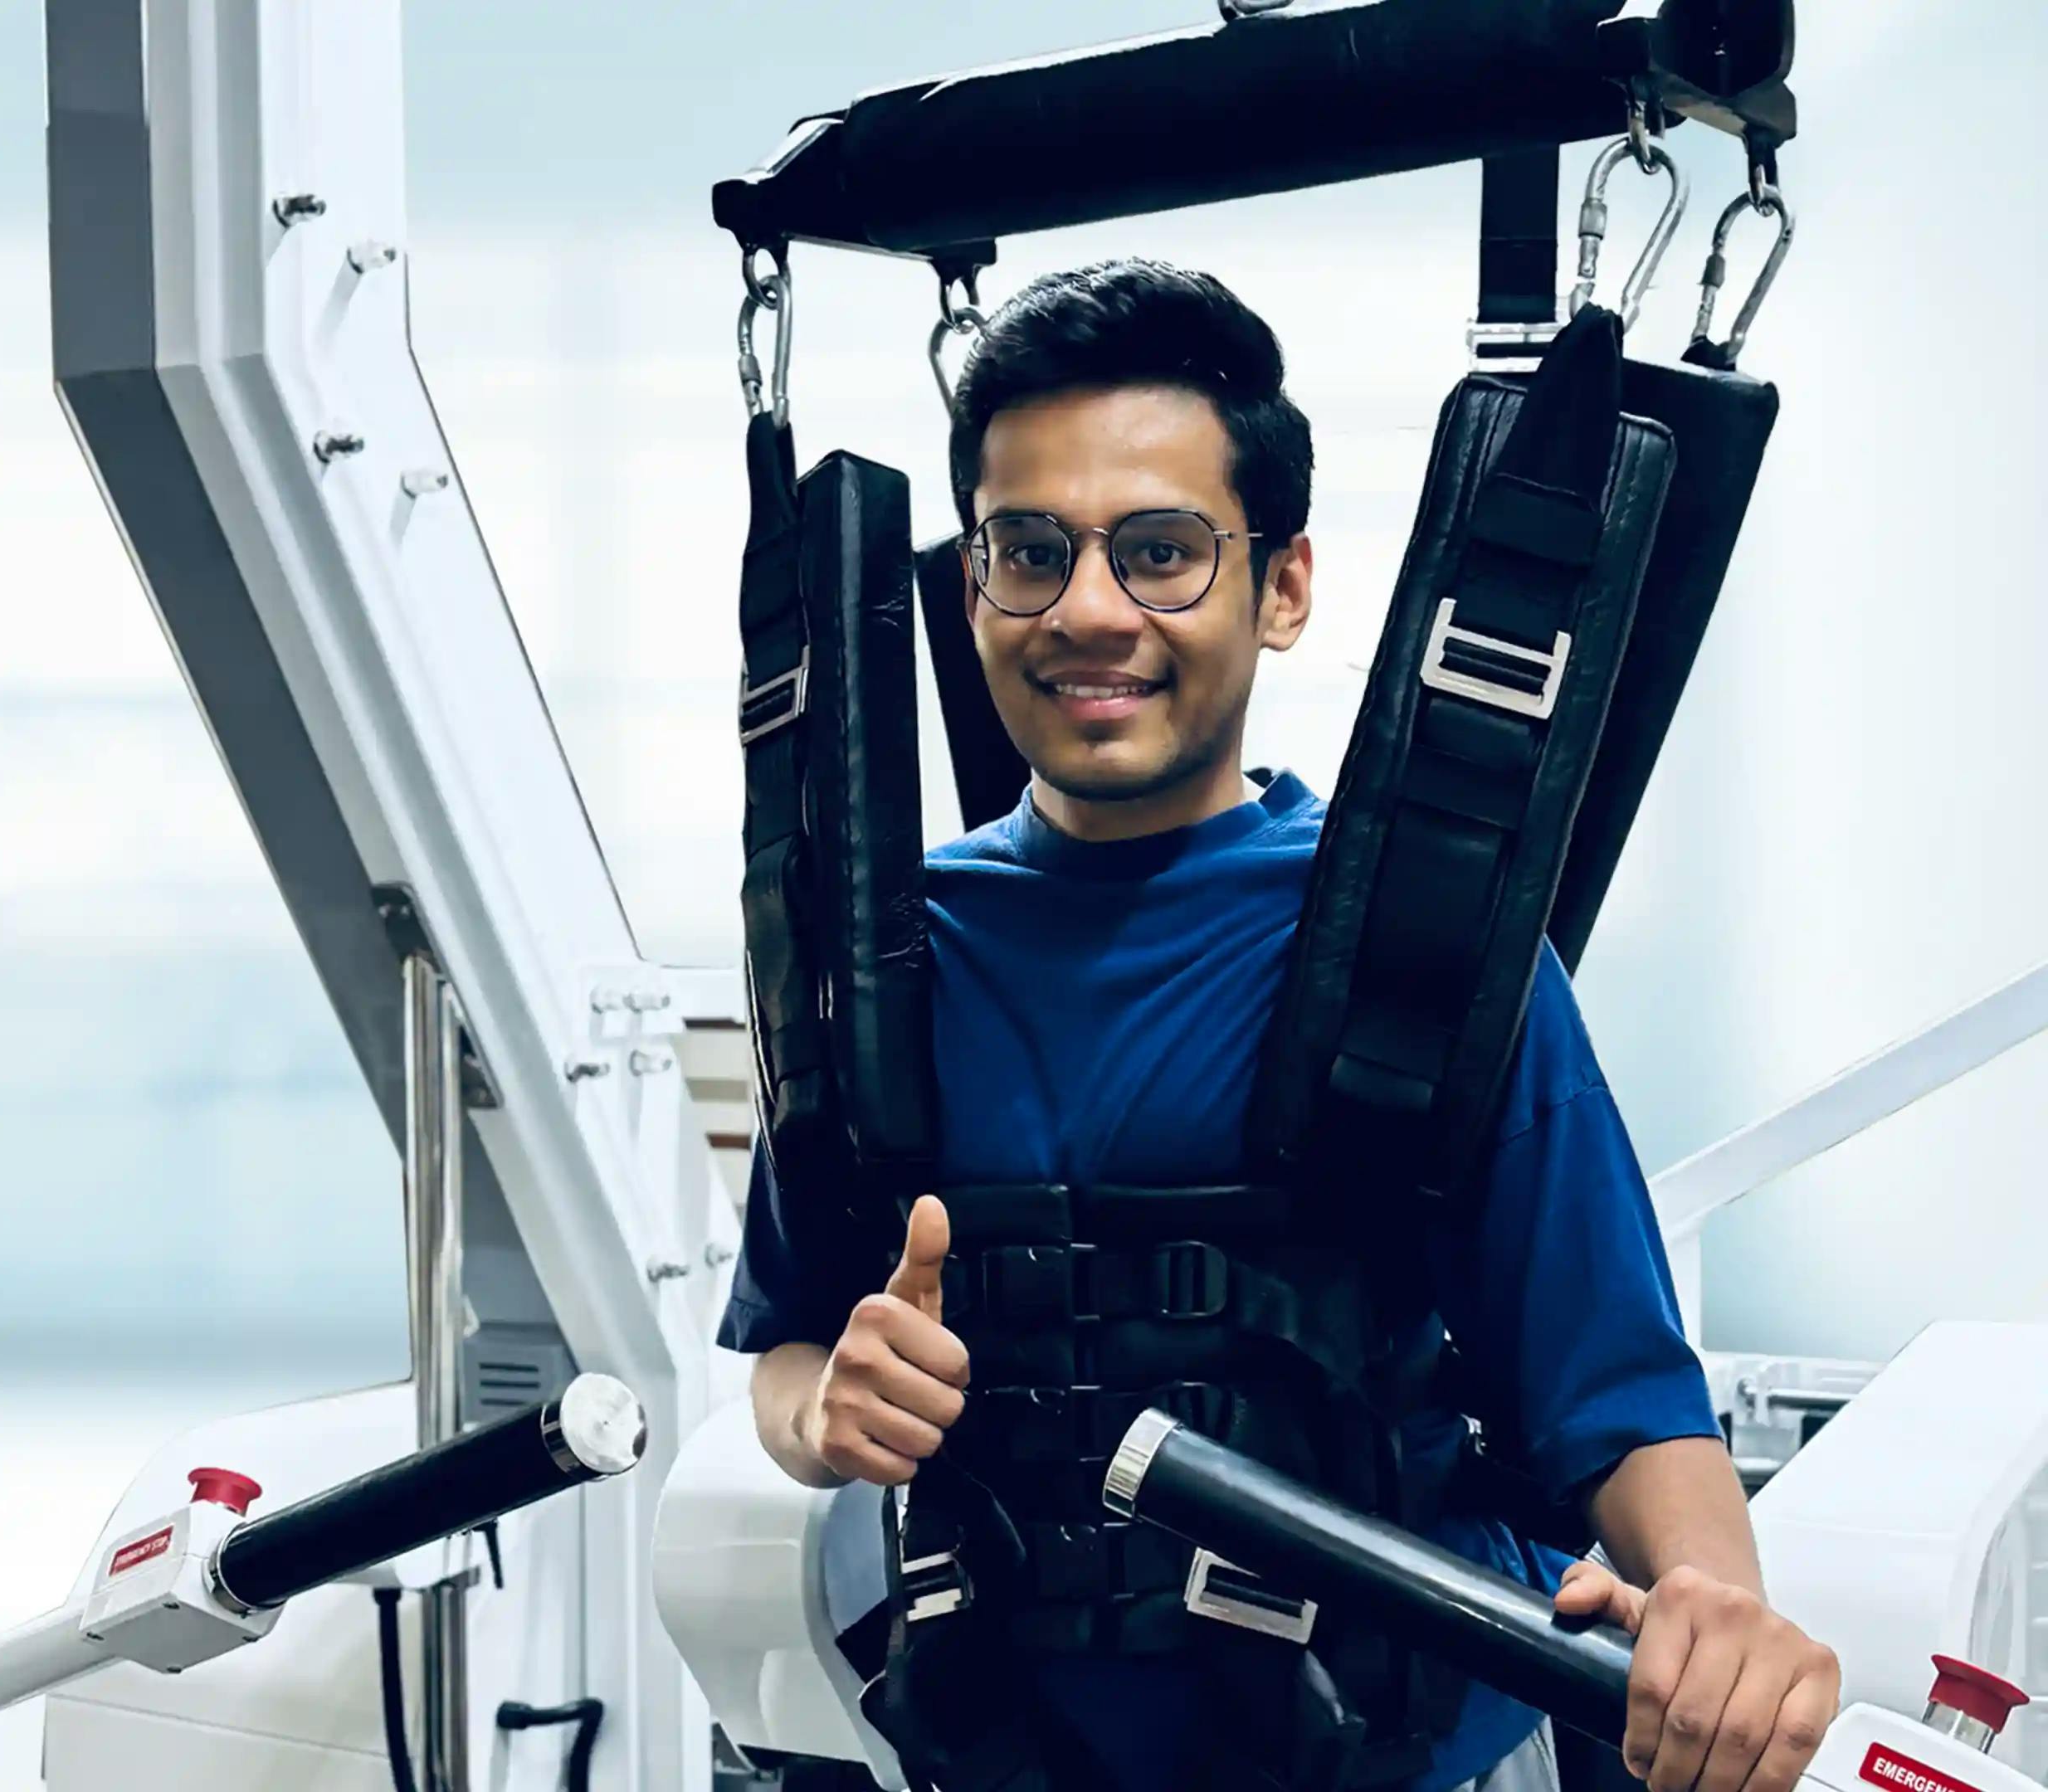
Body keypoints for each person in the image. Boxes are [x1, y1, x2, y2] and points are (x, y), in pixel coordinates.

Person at [723, 260, 1837, 1792]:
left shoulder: (1426, 954)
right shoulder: (884, 961)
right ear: (973, 587)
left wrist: (1718, 1607)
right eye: (1029, 552)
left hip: (1406, 1757)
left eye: (1162, 553)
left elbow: (1625, 1404)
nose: (1089, 612)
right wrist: (826, 1410)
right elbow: (791, 1346)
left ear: (1285, 587)